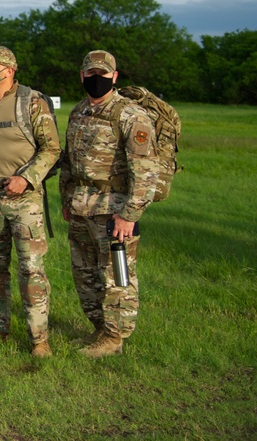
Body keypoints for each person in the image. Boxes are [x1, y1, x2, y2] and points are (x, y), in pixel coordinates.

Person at [60, 50, 158, 358]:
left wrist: (129, 214)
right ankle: (99, 329)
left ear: (114, 77)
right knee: (85, 272)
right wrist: (66, 199)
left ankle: (114, 337)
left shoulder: (130, 115)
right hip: (80, 206)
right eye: (91, 75)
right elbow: (68, 161)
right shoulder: (78, 111)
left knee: (116, 276)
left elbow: (145, 171)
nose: (96, 80)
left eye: (103, 76)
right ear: (82, 76)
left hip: (113, 209)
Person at [0, 46, 61, 357]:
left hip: (25, 199)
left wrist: (26, 178)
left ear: (8, 71)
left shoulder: (32, 102)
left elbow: (51, 150)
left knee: (31, 269)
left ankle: (38, 340)